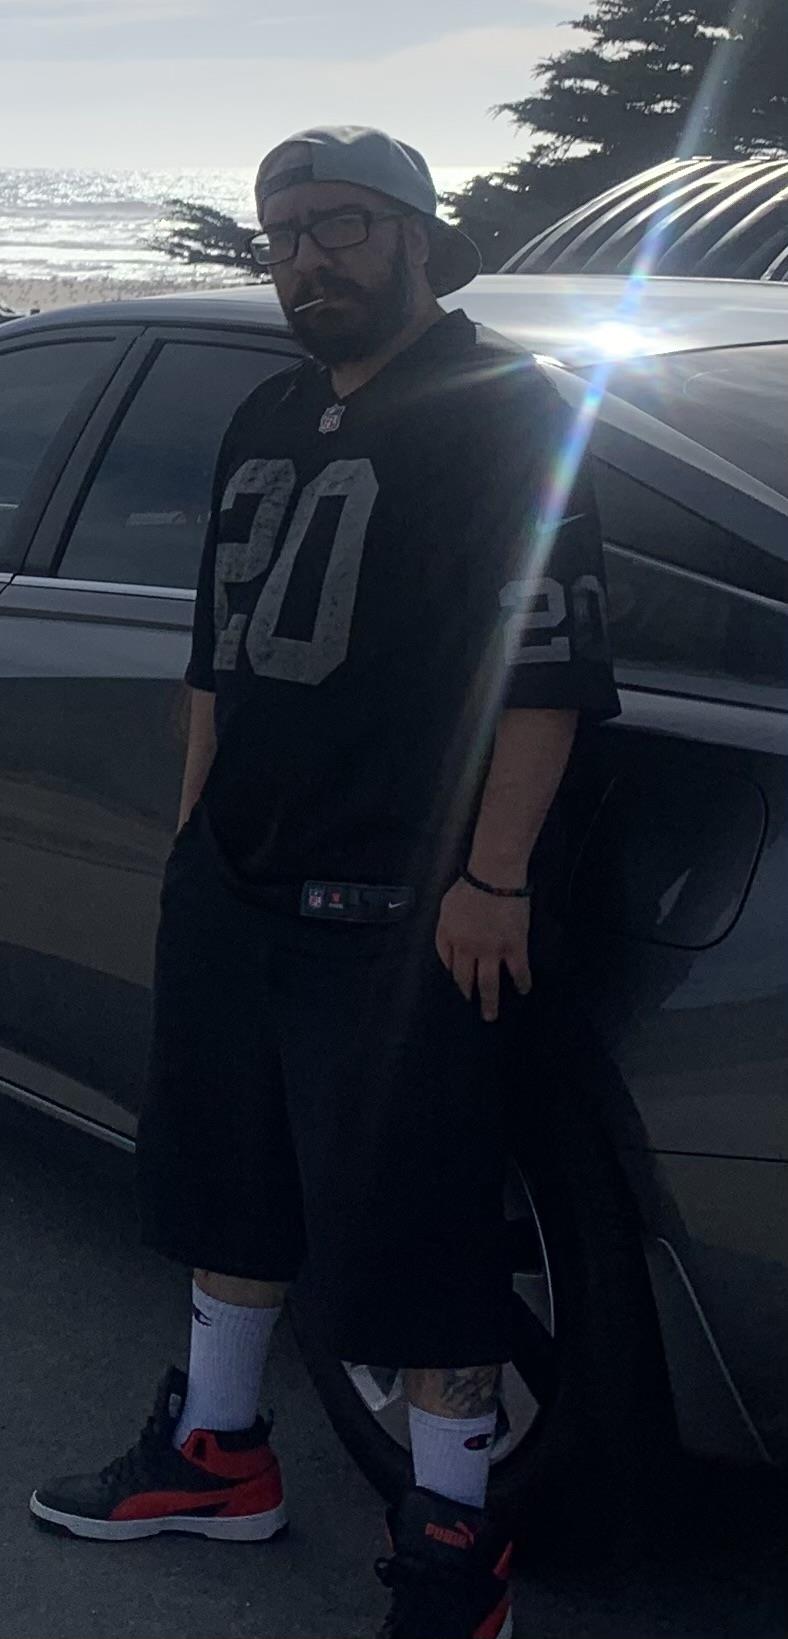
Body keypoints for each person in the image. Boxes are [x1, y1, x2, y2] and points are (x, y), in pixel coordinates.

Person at [30, 127, 620, 1637]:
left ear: (418, 235)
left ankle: (453, 1559)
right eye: (284, 230)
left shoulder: (501, 412)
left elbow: (544, 671)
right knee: (230, 1180)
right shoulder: (270, 415)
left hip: (401, 901)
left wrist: (494, 880)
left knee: (415, 1236)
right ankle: (218, 1455)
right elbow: (216, 653)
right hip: (238, 878)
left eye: (342, 225)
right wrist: (193, 836)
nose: (308, 255)